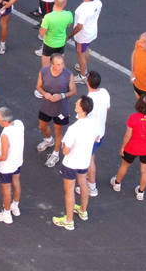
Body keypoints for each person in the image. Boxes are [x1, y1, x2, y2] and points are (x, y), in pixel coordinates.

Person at [52, 96, 98, 231]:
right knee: (83, 184)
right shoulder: (94, 123)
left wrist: (63, 146)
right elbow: (96, 138)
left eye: (78, 104)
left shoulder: (74, 128)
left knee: (70, 191)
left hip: (71, 163)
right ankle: (83, 211)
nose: (75, 104)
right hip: (84, 161)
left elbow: (65, 151)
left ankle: (69, 220)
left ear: (82, 109)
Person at [110, 94, 146, 201]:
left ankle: (117, 183)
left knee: (125, 165)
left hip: (132, 147)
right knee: (145, 170)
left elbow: (128, 135)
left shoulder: (133, 117)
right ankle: (140, 192)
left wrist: (122, 147)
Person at [35, 54, 76, 168]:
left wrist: (62, 96)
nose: (61, 66)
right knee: (42, 126)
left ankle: (56, 153)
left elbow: (73, 91)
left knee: (58, 131)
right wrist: (45, 94)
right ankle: (49, 140)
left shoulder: (68, 74)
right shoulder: (43, 71)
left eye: (62, 63)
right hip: (46, 106)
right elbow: (38, 86)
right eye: (58, 64)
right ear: (52, 64)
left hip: (61, 109)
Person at [76, 71, 110, 197]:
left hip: (91, 136)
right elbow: (107, 108)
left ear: (87, 82)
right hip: (101, 132)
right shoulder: (105, 92)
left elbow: (81, 119)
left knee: (89, 160)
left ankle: (91, 186)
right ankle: (90, 183)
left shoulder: (87, 101)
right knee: (92, 157)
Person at [68, 0, 103, 84]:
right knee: (85, 49)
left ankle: (83, 76)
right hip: (91, 31)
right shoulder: (98, 2)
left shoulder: (83, 9)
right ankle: (83, 66)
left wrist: (69, 36)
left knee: (81, 54)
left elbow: (79, 26)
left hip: (82, 35)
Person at [35, 0, 73, 68]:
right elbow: (68, 25)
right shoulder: (69, 14)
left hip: (49, 44)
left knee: (45, 68)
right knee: (58, 66)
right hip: (61, 43)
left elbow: (42, 34)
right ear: (65, 4)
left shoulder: (48, 17)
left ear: (55, 1)